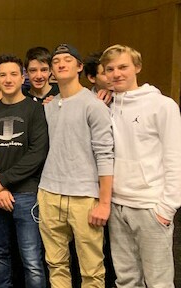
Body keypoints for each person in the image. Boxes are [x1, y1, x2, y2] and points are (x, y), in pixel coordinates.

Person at [101, 44, 181, 288]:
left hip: (150, 206)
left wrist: (167, 208)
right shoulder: (107, 106)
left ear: (137, 67)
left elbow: (174, 157)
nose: (117, 74)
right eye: (110, 69)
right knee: (126, 280)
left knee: (159, 282)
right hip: (116, 206)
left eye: (123, 67)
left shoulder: (162, 106)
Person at [38, 44, 114, 288]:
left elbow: (105, 155)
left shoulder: (94, 105)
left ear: (80, 67)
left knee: (91, 270)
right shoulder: (49, 107)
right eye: (56, 60)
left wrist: (104, 203)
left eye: (68, 59)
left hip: (84, 197)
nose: (61, 64)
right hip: (50, 193)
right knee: (55, 264)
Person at [0, 54, 48, 288]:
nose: (7, 79)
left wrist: (4, 181)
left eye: (12, 74)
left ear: (23, 77)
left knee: (31, 258)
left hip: (26, 194)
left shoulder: (35, 110)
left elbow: (37, 153)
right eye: (2, 75)